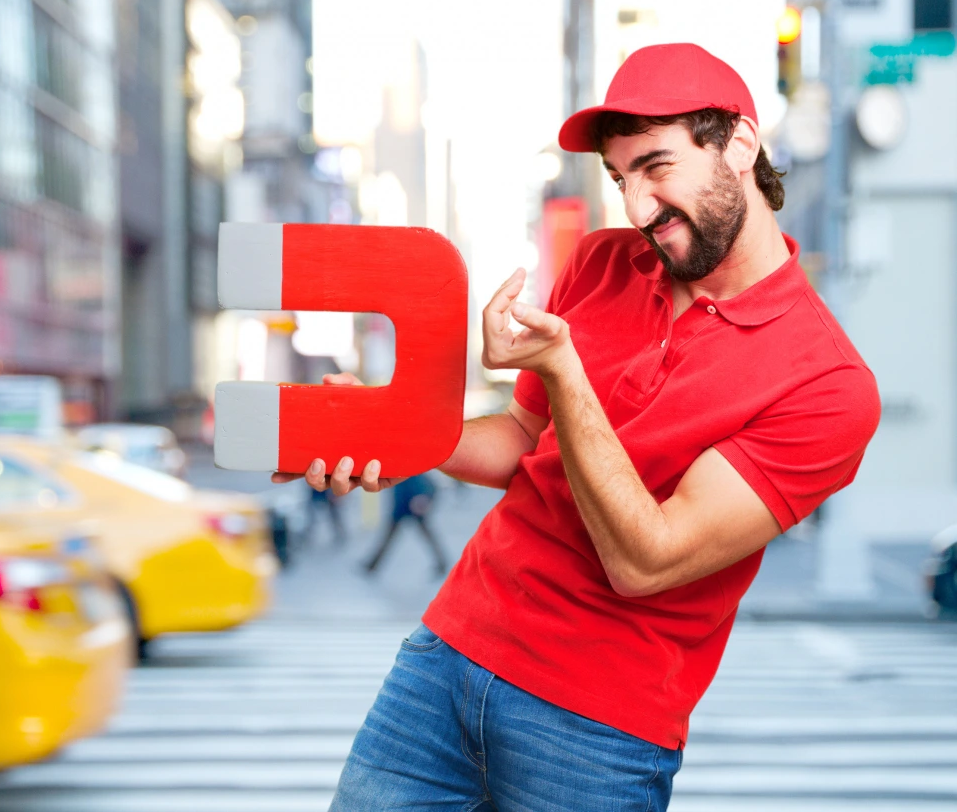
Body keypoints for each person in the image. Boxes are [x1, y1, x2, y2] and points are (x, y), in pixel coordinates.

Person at [272, 43, 880, 811]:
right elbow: (525, 440)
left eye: (656, 167)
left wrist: (565, 370)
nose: (636, 207)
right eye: (620, 178)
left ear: (740, 145)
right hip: (447, 655)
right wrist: (394, 432)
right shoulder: (600, 262)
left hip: (596, 729)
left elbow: (648, 560)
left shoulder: (828, 386)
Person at [363, 472, 447, 576]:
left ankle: (442, 563)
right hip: (400, 509)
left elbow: (431, 488)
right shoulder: (398, 473)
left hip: (412, 510)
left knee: (427, 538)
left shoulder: (414, 473)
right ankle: (372, 565)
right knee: (387, 539)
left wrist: (424, 500)